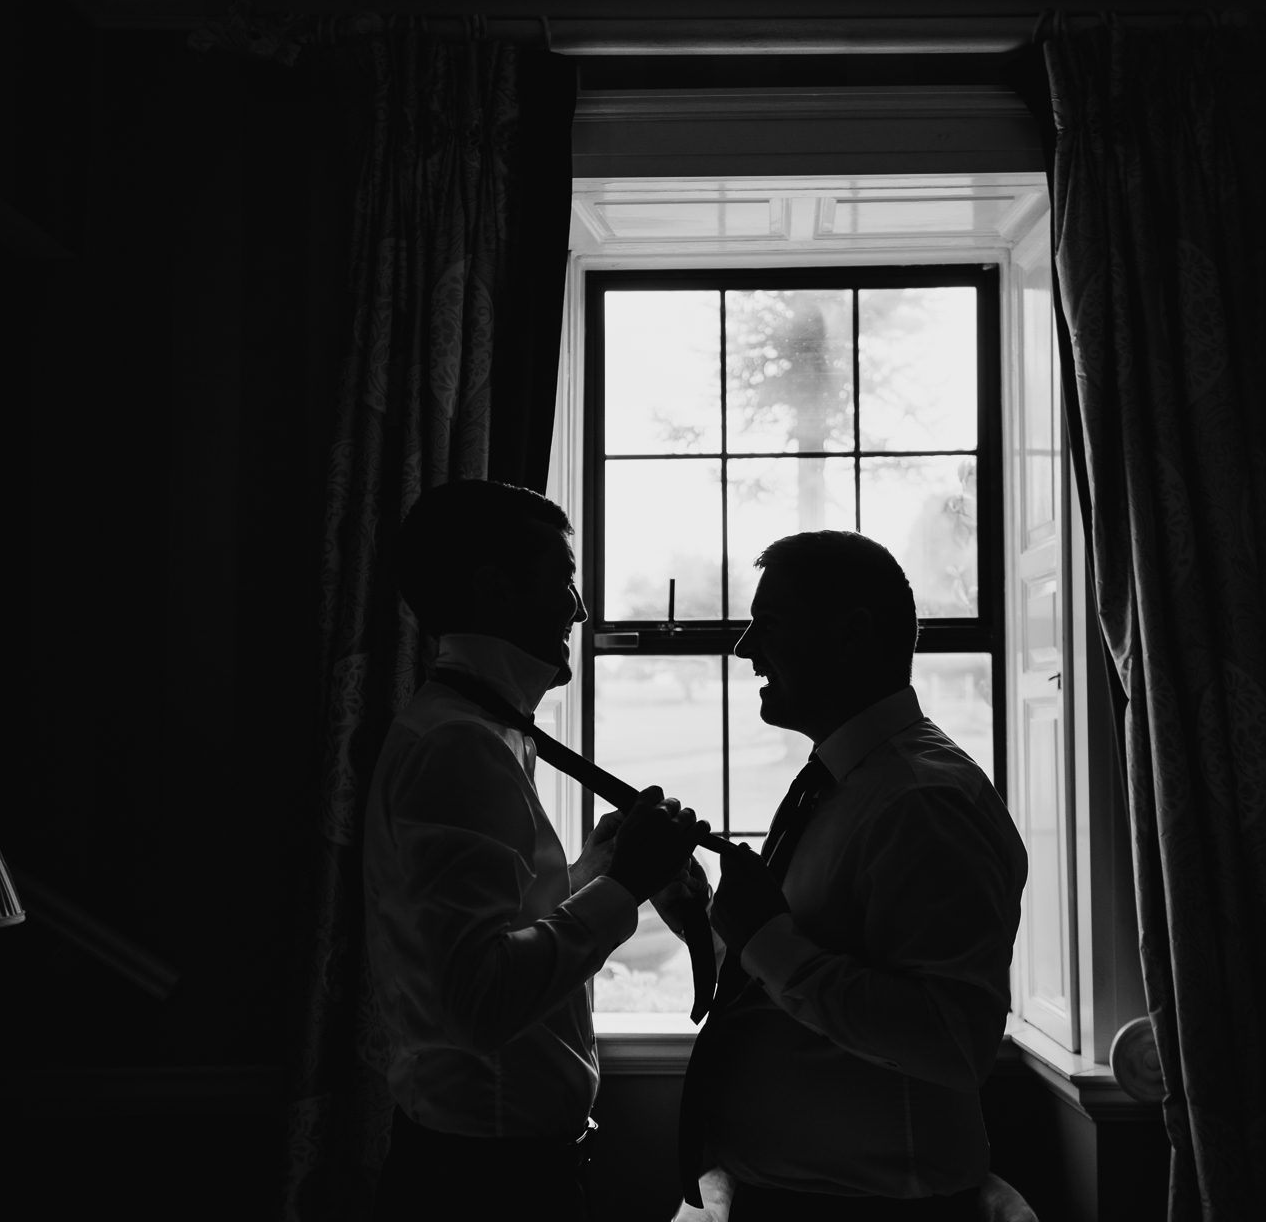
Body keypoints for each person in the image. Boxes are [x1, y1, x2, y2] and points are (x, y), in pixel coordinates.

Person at [366, 479, 706, 1222]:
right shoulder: (460, 743)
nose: (578, 609)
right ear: (494, 590)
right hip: (485, 1188)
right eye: (564, 580)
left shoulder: (479, 730)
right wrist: (631, 883)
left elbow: (495, 934)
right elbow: (479, 1003)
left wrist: (596, 873)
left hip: (499, 1169)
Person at [680, 531, 1030, 1221]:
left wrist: (765, 939)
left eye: (768, 624)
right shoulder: (842, 785)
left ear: (852, 634)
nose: (744, 648)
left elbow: (952, 1040)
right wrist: (709, 924)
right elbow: (802, 973)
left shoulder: (921, 803)